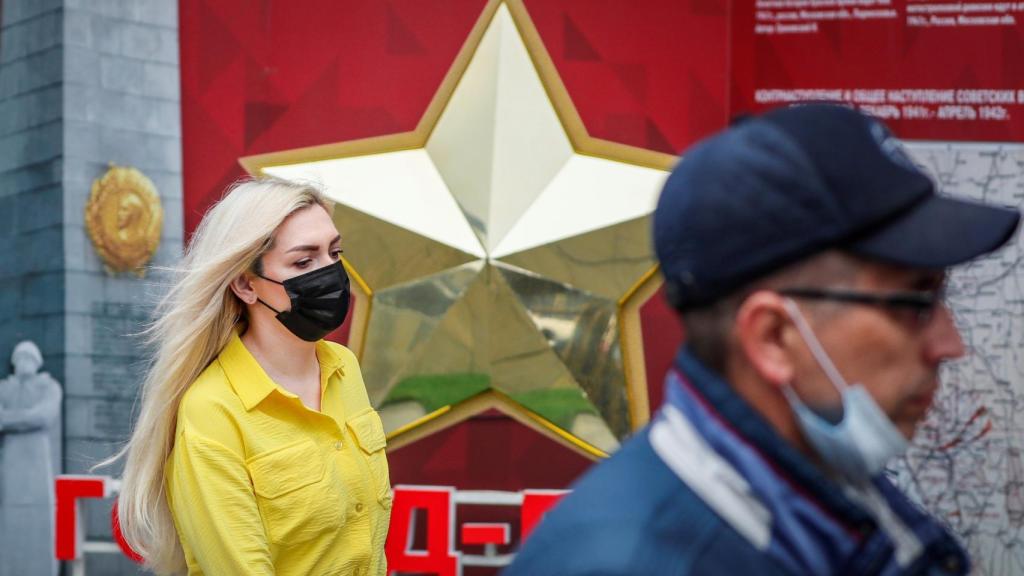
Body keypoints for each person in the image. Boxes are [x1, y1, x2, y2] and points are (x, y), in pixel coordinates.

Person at [504, 104, 1021, 575]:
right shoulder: (626, 562)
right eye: (915, 302)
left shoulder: (827, 489)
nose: (950, 344)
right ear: (773, 338)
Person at [103, 178, 392, 575]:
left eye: (334, 252)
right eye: (303, 262)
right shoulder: (212, 412)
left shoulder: (344, 367)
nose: (331, 273)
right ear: (245, 284)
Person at [0, 340, 62, 576]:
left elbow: (43, 417)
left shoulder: (50, 387)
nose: (24, 363)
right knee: (10, 519)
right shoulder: (4, 388)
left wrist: (7, 419)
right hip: (10, 461)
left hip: (37, 461)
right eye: (20, 358)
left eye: (29, 358)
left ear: (37, 362)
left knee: (39, 518)